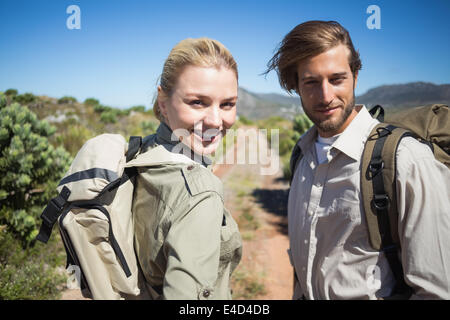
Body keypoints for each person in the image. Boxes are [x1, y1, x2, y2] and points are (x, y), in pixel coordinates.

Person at [265, 20, 450, 299]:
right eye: (311, 82)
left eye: (337, 79)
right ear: (295, 86)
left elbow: (437, 290)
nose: (326, 96)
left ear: (355, 76)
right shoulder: (302, 157)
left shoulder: (406, 159)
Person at [132, 37, 242, 300]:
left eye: (227, 104)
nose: (216, 120)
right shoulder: (200, 195)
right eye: (197, 102)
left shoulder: (144, 152)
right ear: (163, 102)